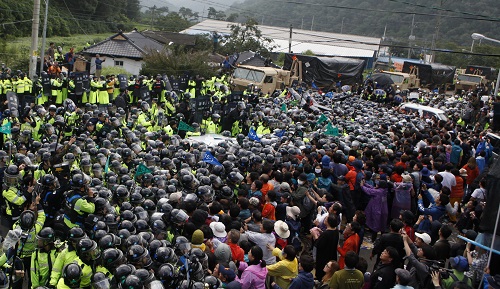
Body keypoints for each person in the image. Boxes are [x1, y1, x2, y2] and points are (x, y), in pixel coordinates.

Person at [315, 214, 340, 281]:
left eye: (326, 218)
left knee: (322, 273)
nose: (324, 219)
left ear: (329, 222)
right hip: (331, 255)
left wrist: (315, 236)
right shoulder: (336, 231)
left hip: (323, 257)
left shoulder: (326, 234)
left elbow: (318, 245)